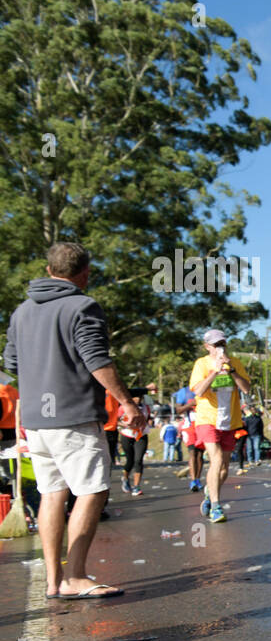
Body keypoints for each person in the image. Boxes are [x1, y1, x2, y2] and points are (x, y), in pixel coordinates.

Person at [2, 241, 141, 598]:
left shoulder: (20, 312)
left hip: (35, 420)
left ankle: (53, 581)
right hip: (73, 416)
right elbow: (97, 360)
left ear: (49, 270)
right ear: (85, 274)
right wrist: (127, 402)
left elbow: (12, 365)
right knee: (93, 489)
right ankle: (75, 575)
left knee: (51, 494)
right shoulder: (83, 306)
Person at [188, 329, 252, 522]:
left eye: (222, 343)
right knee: (215, 459)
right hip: (207, 418)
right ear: (207, 347)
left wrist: (231, 370)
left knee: (224, 468)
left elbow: (246, 389)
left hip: (230, 420)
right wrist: (215, 371)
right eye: (216, 345)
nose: (220, 348)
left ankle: (210, 493)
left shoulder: (236, 363)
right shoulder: (201, 363)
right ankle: (216, 507)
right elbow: (198, 391)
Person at [117, 389, 152, 496]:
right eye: (134, 397)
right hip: (127, 434)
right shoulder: (123, 407)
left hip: (141, 435)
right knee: (130, 460)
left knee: (138, 460)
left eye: (139, 397)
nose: (137, 399)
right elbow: (116, 420)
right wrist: (125, 425)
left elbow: (149, 419)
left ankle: (136, 486)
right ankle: (125, 478)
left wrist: (148, 423)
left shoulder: (146, 408)